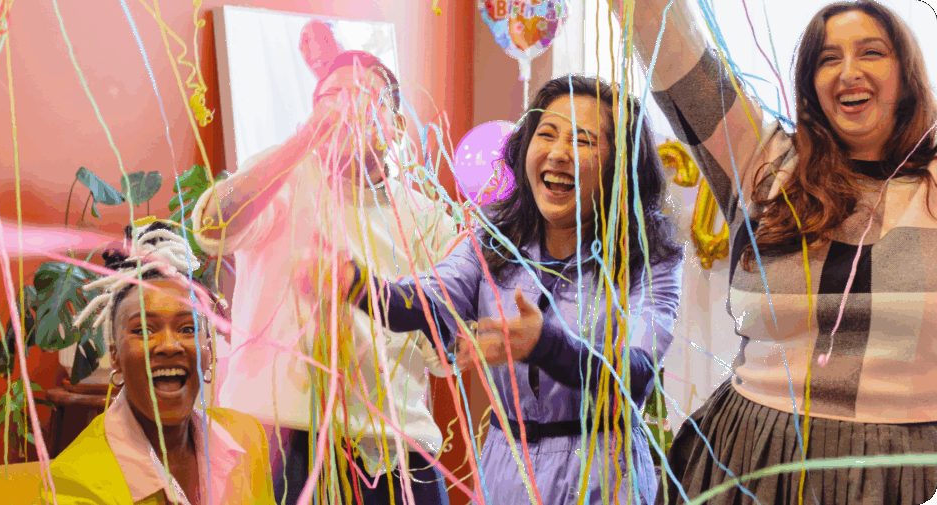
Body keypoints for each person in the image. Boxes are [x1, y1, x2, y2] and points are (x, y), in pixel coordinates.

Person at [618, 0, 937, 503]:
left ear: (908, 72)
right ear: (810, 83)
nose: (848, 72)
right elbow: (666, 36)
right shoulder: (765, 163)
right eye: (827, 58)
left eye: (871, 52)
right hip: (748, 457)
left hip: (904, 473)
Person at [321, 75, 684, 504]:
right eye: (546, 134)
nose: (558, 153)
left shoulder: (651, 256)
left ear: (621, 164)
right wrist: (358, 284)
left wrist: (547, 346)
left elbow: (636, 373)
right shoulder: (492, 237)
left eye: (583, 141)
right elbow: (425, 300)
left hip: (603, 473)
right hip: (506, 468)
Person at [190, 51, 455, 505]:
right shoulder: (284, 178)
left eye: (365, 98)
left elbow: (446, 353)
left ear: (396, 126)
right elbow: (213, 228)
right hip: (280, 444)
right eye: (332, 97)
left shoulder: (426, 217)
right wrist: (305, 140)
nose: (347, 108)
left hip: (398, 450)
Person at [37, 221, 274, 504]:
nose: (169, 345)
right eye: (143, 330)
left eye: (188, 328)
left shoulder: (248, 439)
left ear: (209, 351)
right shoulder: (73, 485)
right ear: (116, 356)